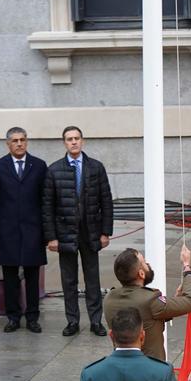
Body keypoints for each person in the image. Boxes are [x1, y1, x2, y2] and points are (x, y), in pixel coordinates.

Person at [43, 125, 113, 337]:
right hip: (65, 233)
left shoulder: (96, 167)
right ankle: (72, 321)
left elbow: (106, 201)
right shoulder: (54, 170)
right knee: (69, 280)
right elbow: (47, 206)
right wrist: (51, 237)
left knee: (93, 279)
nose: (73, 142)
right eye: (69, 139)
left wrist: (105, 232)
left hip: (90, 231)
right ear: (64, 143)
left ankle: (95, 321)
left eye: (76, 138)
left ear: (82, 141)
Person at [0, 127, 47, 333]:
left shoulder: (39, 166)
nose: (19, 144)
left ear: (27, 142)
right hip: (8, 230)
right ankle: (13, 317)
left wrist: (46, 233)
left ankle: (32, 317)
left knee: (32, 276)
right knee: (10, 277)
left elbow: (44, 200)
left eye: (22, 140)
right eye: (15, 141)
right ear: (8, 144)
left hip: (33, 230)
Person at [103, 244, 191, 361]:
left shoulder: (109, 299)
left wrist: (172, 302)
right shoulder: (150, 300)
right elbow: (190, 301)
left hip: (120, 367)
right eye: (144, 263)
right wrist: (187, 267)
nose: (148, 264)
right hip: (150, 370)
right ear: (141, 274)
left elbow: (149, 316)